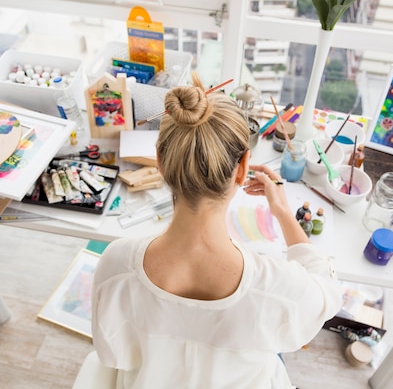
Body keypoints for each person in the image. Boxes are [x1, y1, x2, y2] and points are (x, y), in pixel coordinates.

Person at [91, 74, 342, 389]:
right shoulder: (277, 287)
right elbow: (328, 294)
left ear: (160, 162)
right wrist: (282, 213)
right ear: (243, 167)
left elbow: (113, 355)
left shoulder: (116, 265)